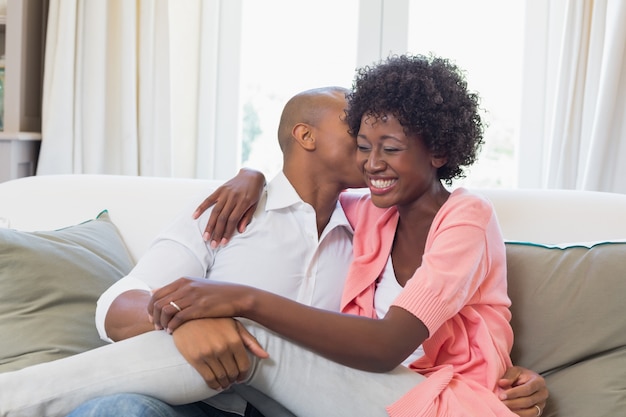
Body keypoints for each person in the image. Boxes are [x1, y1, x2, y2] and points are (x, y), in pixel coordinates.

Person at [0, 75, 546, 417]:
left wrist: (238, 300)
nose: (370, 154)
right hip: (220, 397)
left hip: (409, 399)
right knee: (117, 410)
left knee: (254, 329)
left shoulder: (432, 217)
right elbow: (117, 306)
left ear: (438, 150)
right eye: (359, 136)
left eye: (386, 143)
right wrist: (253, 173)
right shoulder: (268, 213)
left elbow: (391, 344)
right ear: (306, 137)